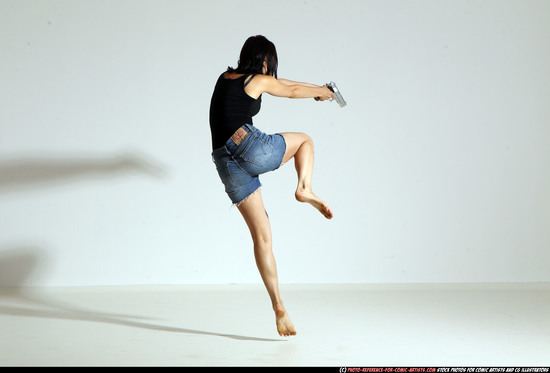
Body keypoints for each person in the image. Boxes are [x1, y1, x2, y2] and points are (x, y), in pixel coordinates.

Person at [209, 35, 334, 337]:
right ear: (265, 60)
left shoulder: (225, 77)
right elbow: (290, 89)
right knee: (305, 140)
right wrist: (324, 92)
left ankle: (279, 307)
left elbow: (285, 85)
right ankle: (304, 188)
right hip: (247, 147)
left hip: (225, 163)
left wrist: (317, 91)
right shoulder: (256, 79)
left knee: (262, 237)